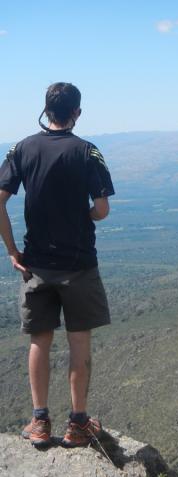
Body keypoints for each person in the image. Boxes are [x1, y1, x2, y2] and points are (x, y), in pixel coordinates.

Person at [0, 82, 115, 448]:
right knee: (79, 343)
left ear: (46, 110)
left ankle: (39, 422)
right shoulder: (87, 152)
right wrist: (81, 214)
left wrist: (12, 250)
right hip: (79, 264)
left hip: (36, 266)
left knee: (40, 341)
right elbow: (101, 210)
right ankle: (78, 424)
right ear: (77, 112)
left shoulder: (21, 149)